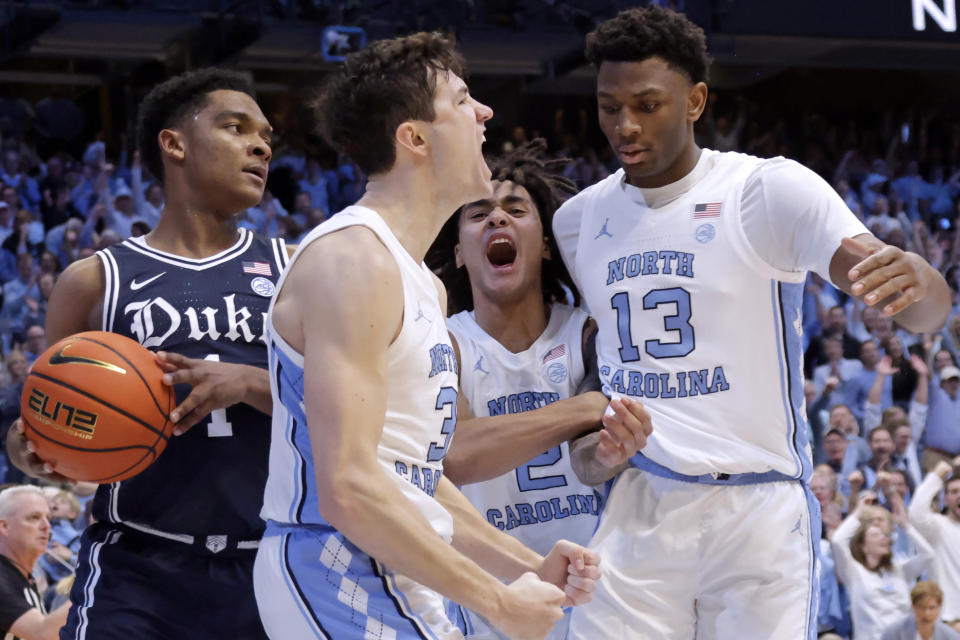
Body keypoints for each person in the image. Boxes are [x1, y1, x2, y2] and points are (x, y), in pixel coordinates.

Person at [552, 6, 952, 639]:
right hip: (642, 501)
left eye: (647, 104)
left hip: (757, 509)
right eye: (608, 106)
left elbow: (915, 304)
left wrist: (927, 287)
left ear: (696, 100)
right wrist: (597, 456)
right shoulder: (577, 222)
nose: (624, 125)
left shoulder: (767, 191)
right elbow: (589, 388)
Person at [253, 32, 600, 640]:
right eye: (464, 101)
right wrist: (496, 599)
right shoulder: (352, 261)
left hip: (395, 564)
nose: (485, 113)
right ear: (414, 137)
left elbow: (415, 474)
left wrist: (524, 567)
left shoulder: (424, 284)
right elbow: (347, 487)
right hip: (332, 562)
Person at [7, 68, 287, 639]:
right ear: (174, 143)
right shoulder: (93, 281)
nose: (260, 145)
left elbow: (348, 407)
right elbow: (35, 420)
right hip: (137, 568)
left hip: (271, 564)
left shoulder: (298, 269)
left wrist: (251, 384)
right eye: (236, 127)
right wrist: (34, 447)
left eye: (266, 137)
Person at [430, 139, 623, 639]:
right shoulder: (443, 342)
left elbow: (603, 455)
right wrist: (584, 406)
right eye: (478, 214)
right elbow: (457, 455)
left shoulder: (590, 333)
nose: (497, 219)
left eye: (516, 209)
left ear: (543, 244)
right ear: (458, 252)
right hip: (489, 600)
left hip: (596, 594)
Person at [833, 492, 934, 640]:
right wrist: (858, 512)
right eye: (875, 535)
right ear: (863, 546)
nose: (882, 538)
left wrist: (905, 525)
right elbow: (837, 540)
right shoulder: (854, 572)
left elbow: (928, 555)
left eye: (883, 535)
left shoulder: (899, 570)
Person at [0, 486, 70, 640]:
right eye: (34, 517)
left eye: (48, 518)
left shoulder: (22, 576)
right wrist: (91, 579)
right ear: (4, 526)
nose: (47, 526)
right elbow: (43, 634)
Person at [909, 458, 960, 623]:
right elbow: (916, 513)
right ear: (945, 499)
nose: (959, 495)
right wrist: (937, 476)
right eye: (953, 492)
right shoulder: (938, 526)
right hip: (947, 619)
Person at [881, 581, 960, 640]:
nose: (926, 613)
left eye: (932, 607)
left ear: (939, 607)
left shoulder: (950, 636)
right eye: (921, 607)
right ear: (913, 606)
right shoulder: (893, 633)